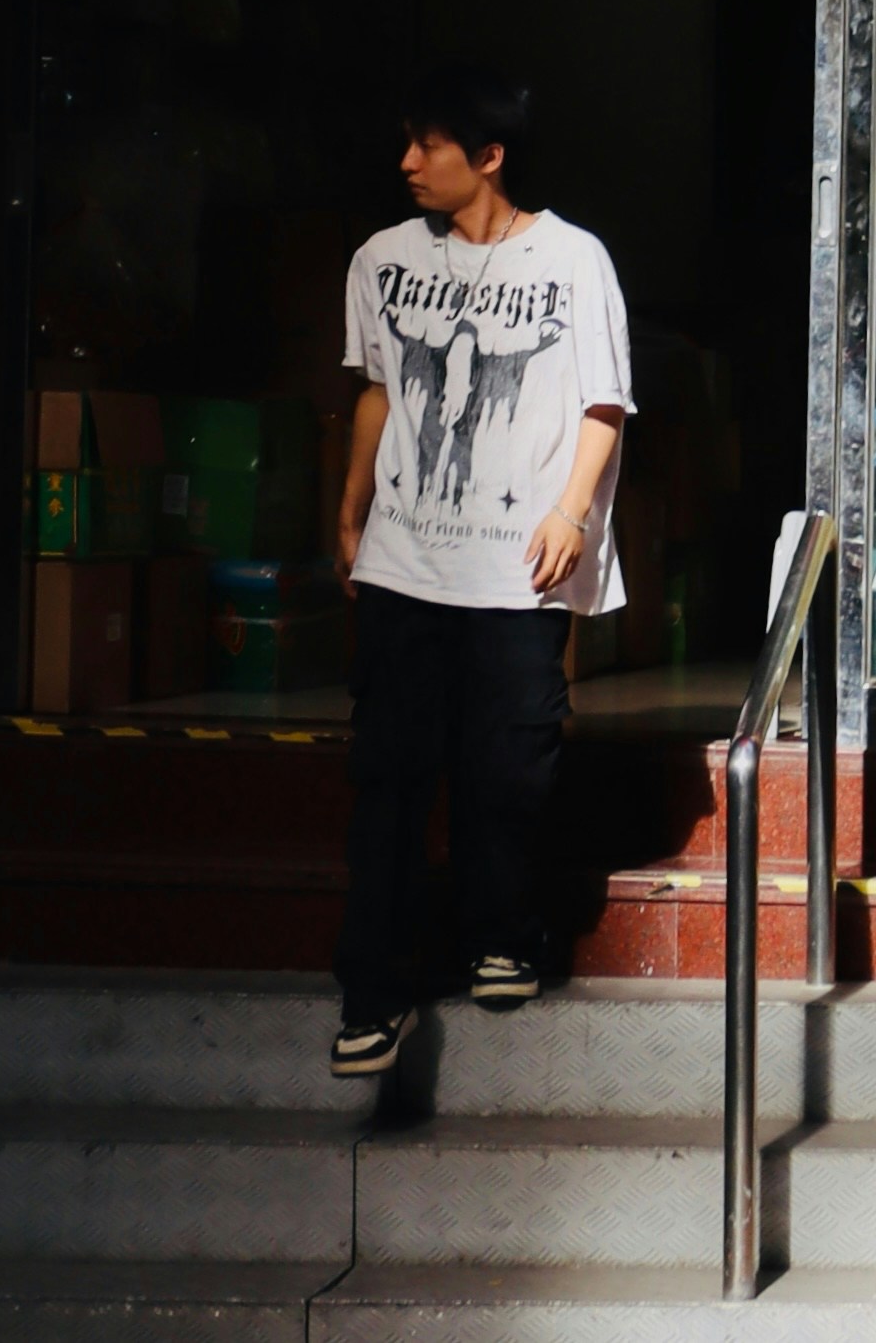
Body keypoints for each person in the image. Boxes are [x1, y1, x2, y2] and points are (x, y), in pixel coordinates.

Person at [329, 64, 633, 1081]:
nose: (408, 162)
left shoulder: (574, 260)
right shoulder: (381, 258)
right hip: (406, 559)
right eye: (408, 142)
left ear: (489, 156)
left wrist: (571, 511)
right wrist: (351, 500)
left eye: (432, 145)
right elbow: (379, 388)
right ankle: (373, 994)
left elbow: (604, 403)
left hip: (516, 565)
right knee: (387, 776)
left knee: (508, 766)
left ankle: (503, 934)